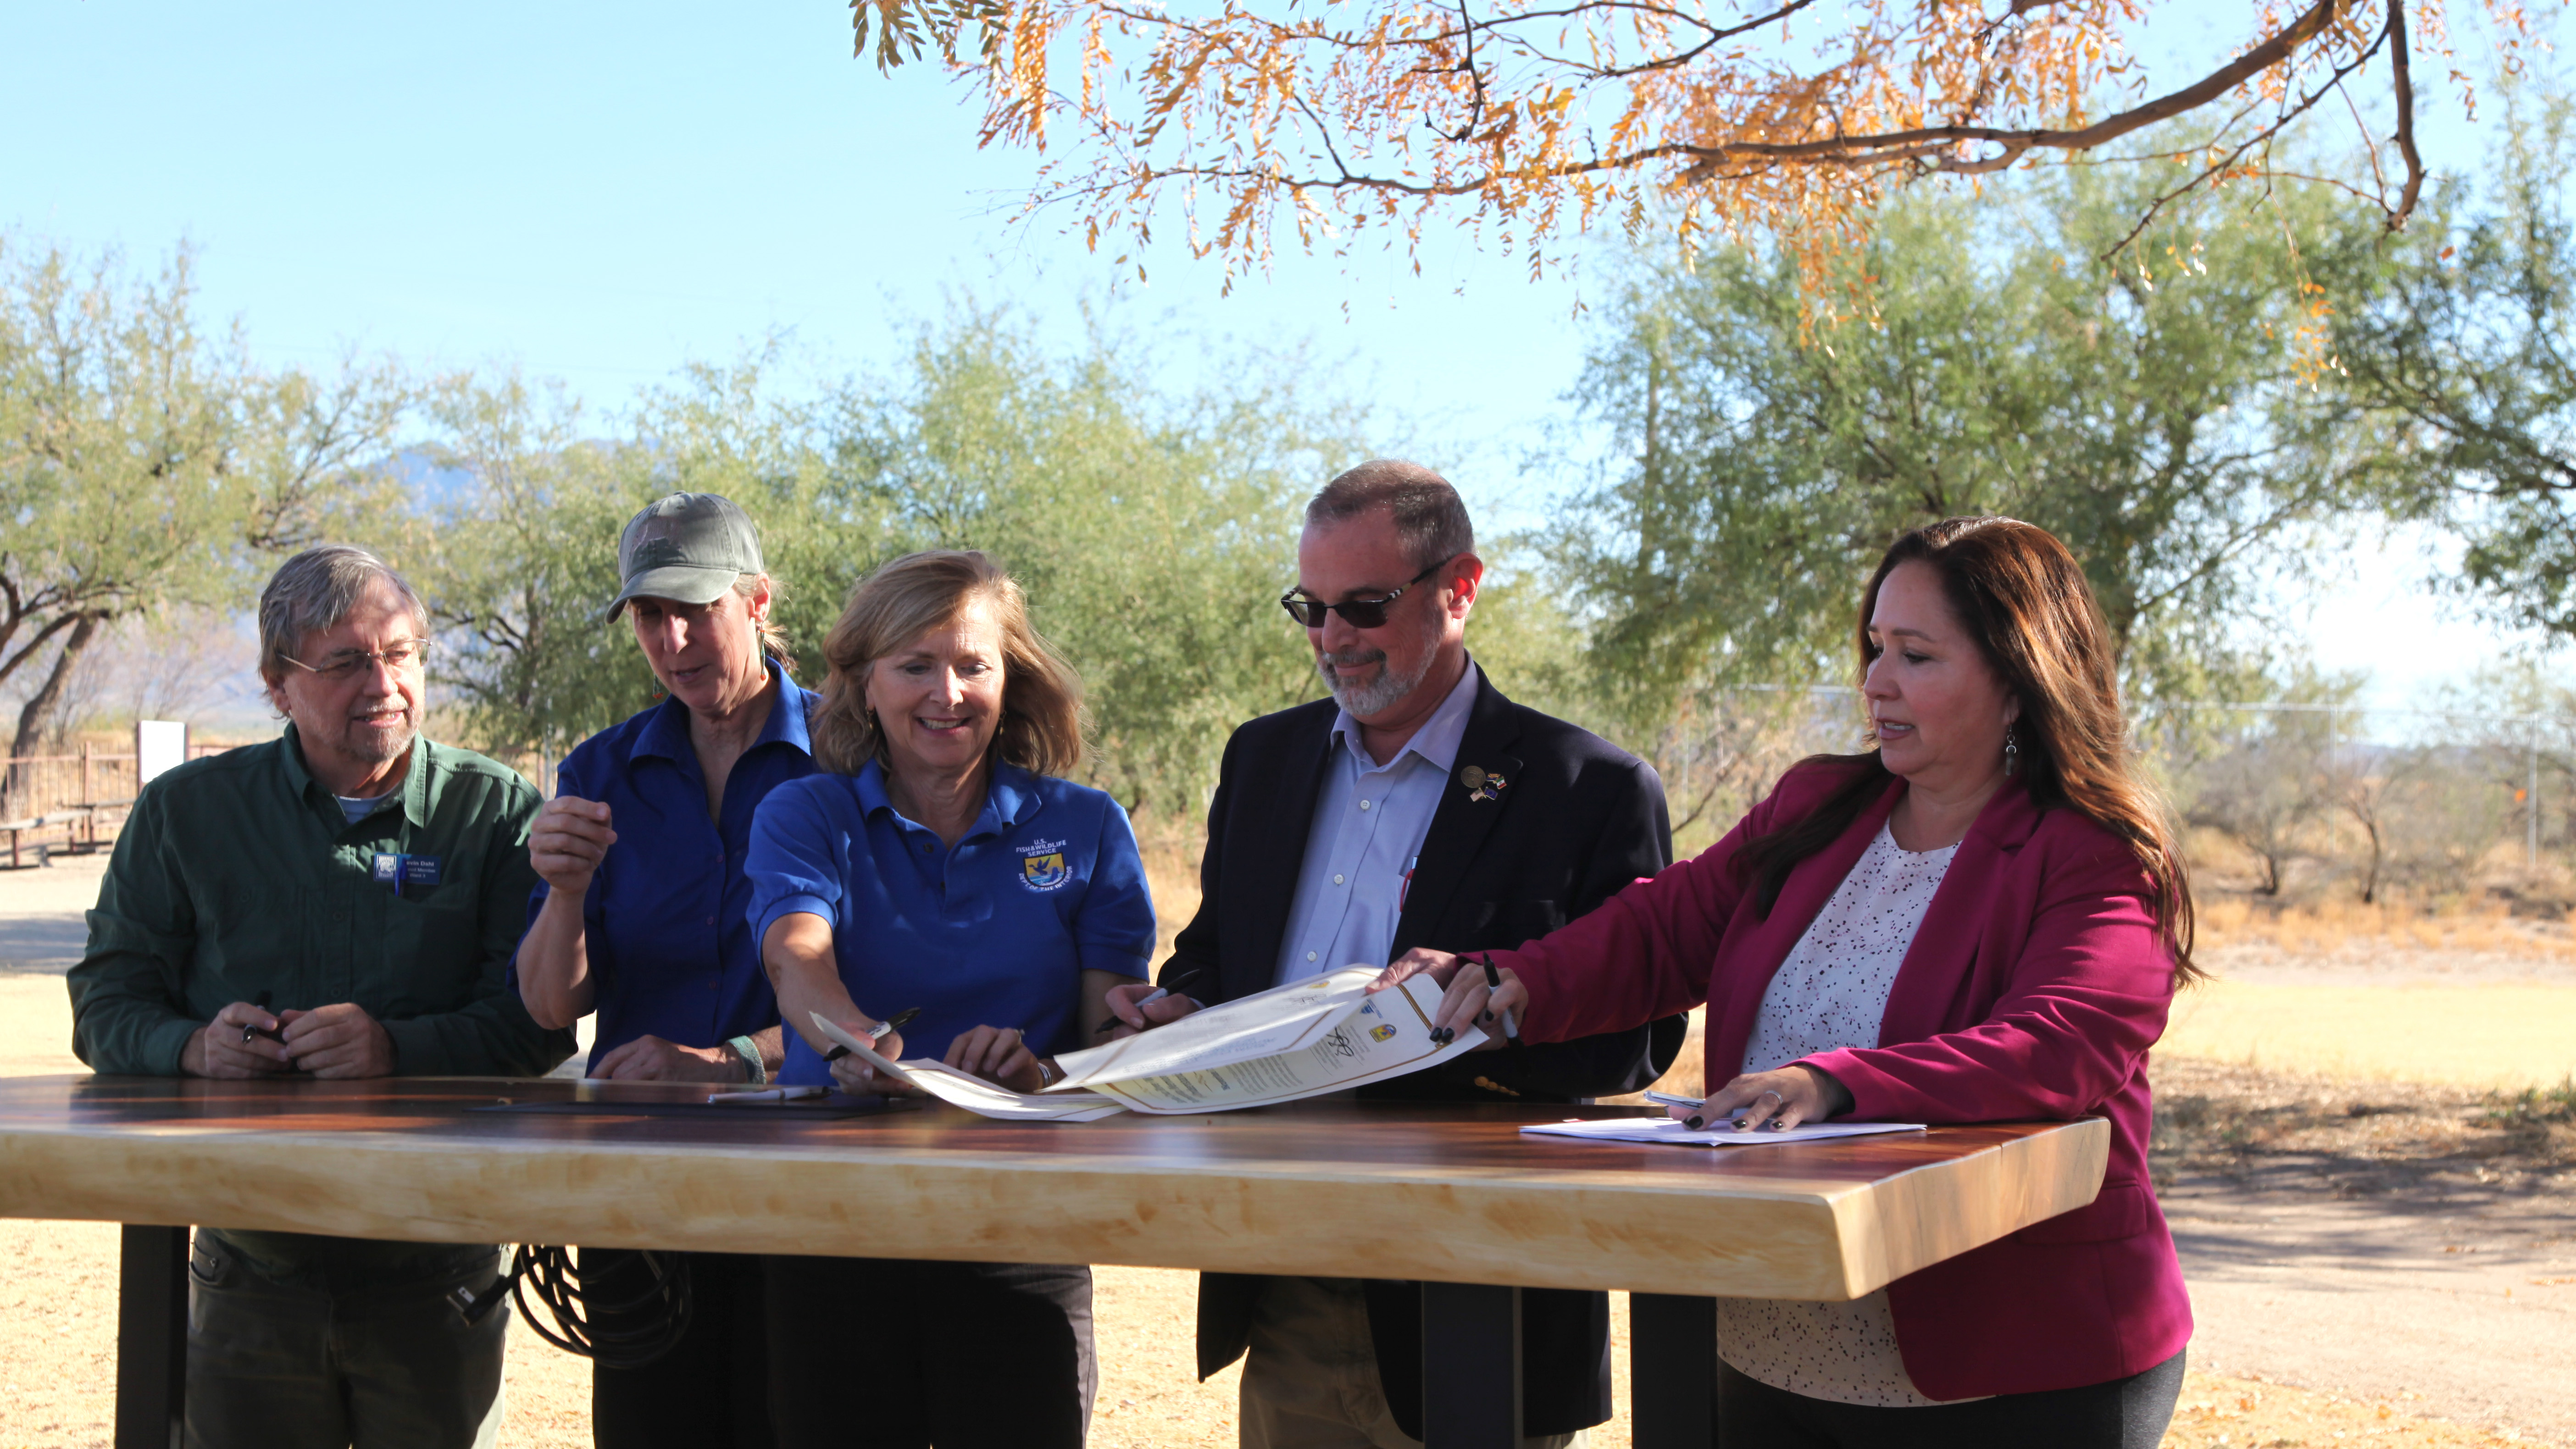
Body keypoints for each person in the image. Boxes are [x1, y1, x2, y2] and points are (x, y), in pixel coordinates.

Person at [1381, 516, 2197, 1448]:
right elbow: (1665, 926)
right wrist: (1511, 977)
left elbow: (2062, 1044)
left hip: (2013, 1364)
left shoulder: (2095, 855)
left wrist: (1834, 1082)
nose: (1877, 681)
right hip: (1768, 1343)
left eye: (1918, 656)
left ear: (2020, 677)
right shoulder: (1821, 803)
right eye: (1875, 647)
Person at [1106, 460, 1678, 1449]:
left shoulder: (1590, 788)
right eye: (1311, 608)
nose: (1333, 640)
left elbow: (1638, 1040)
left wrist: (1476, 1005)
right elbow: (1214, 954)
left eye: (1365, 607)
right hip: (1288, 1276)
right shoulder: (1263, 758)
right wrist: (1181, 1007)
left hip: (1484, 1281)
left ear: (1461, 587)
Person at [67, 544, 573, 1449]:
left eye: (403, 652)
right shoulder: (186, 814)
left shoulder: (494, 814)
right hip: (248, 1269)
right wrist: (192, 1045)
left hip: (438, 1267)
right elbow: (107, 997)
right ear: (277, 683)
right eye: (345, 662)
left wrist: (396, 1048)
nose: (384, 682)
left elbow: (533, 1024)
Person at [745, 549, 1155, 1449]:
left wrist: (1039, 1069)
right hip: (834, 1223)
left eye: (974, 663)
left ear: (1014, 678)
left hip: (1021, 1229)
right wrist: (856, 1040)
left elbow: (1110, 1037)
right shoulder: (805, 814)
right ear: (862, 683)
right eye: (915, 665)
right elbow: (796, 953)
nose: (948, 692)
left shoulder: (1087, 826)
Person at [510, 491, 816, 1447]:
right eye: (650, 614)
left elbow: (882, 997)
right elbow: (553, 1001)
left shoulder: (852, 759)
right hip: (637, 1180)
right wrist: (563, 890)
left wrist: (732, 1061)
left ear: (759, 599)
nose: (674, 637)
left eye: (697, 608)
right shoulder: (600, 770)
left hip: (809, 1176)